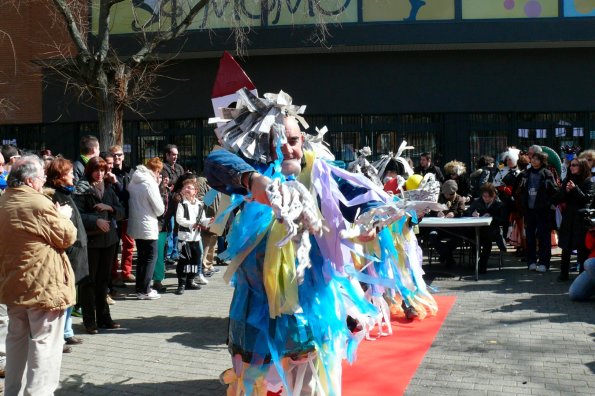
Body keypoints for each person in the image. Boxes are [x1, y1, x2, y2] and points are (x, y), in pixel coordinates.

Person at [205, 90, 401, 394]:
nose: (288, 150)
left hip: (309, 308)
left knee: (311, 386)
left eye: (294, 141)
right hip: (256, 307)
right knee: (255, 384)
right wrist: (254, 181)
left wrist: (370, 222)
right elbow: (216, 161)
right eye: (277, 142)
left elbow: (364, 201)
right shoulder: (254, 172)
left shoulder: (321, 175)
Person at [0, 155, 77, 395]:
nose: (44, 183)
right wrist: (63, 215)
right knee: (46, 343)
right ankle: (38, 392)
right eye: (42, 178)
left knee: (16, 339)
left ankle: (12, 390)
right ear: (31, 180)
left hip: (13, 280)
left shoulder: (4, 201)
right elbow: (67, 237)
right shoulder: (37, 203)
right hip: (43, 283)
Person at [73, 156, 125, 333]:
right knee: (89, 282)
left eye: (102, 170)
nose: (100, 173)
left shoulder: (109, 188)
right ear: (89, 170)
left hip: (109, 240)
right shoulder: (82, 189)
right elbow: (77, 216)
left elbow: (122, 211)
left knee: (104, 281)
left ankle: (104, 317)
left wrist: (110, 209)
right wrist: (95, 221)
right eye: (96, 170)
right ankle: (89, 321)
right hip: (91, 241)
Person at [45, 158, 90, 351]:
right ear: (60, 176)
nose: (73, 175)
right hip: (67, 253)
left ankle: (67, 332)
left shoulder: (66, 193)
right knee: (64, 296)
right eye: (70, 173)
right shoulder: (54, 196)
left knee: (71, 295)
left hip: (76, 250)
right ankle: (60, 336)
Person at [127, 157, 165, 300]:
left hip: (136, 223)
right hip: (148, 224)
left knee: (142, 257)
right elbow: (159, 208)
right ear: (156, 170)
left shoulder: (134, 179)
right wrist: (157, 185)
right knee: (150, 257)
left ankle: (139, 287)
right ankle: (145, 289)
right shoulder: (150, 183)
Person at [552, 158, 594, 280]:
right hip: (569, 217)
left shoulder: (589, 182)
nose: (571, 167)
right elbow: (558, 198)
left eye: (575, 165)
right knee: (566, 246)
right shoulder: (568, 180)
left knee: (582, 249)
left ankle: (582, 275)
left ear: (582, 166)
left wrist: (575, 189)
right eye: (571, 165)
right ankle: (563, 273)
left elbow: (587, 200)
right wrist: (565, 190)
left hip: (581, 219)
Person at [517, 151, 558, 273]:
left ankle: (544, 263)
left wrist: (548, 204)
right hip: (529, 211)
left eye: (537, 159)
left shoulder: (547, 173)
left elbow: (555, 191)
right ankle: (531, 261)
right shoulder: (526, 173)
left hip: (543, 211)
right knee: (530, 237)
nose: (534, 160)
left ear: (542, 161)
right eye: (532, 158)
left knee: (544, 237)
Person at [174, 177, 212, 294]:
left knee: (195, 260)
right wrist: (192, 224)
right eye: (186, 188)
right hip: (185, 237)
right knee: (184, 261)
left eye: (190, 188)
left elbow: (203, 219)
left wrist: (209, 221)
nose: (187, 190)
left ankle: (190, 281)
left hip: (196, 238)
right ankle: (181, 283)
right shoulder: (182, 204)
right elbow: (179, 219)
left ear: (195, 191)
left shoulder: (200, 205)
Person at [108, 145, 136, 285]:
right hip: (113, 214)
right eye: (114, 155)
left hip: (127, 213)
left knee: (129, 244)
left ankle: (126, 272)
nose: (117, 157)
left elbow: (130, 193)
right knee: (114, 245)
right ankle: (114, 274)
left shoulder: (130, 171)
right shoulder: (107, 172)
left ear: (123, 156)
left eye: (119, 155)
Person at [464, 183, 506, 274]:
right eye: (484, 196)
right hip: (478, 229)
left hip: (493, 231)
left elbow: (503, 220)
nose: (486, 198)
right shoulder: (478, 201)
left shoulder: (500, 204)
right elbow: (468, 212)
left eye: (488, 197)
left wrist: (492, 216)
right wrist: (473, 214)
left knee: (487, 242)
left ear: (493, 196)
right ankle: (477, 263)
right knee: (475, 241)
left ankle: (482, 265)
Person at [428, 179, 467, 267]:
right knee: (432, 236)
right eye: (444, 193)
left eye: (447, 194)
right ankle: (449, 258)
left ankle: (443, 256)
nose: (445, 195)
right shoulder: (439, 198)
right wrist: (437, 213)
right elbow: (431, 210)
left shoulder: (459, 199)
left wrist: (454, 213)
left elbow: (462, 211)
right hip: (439, 227)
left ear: (452, 193)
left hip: (454, 229)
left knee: (459, 239)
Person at [161, 144, 184, 263]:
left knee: (177, 227)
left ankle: (175, 252)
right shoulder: (163, 167)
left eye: (176, 154)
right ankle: (168, 253)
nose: (175, 157)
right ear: (167, 155)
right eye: (173, 154)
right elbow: (165, 182)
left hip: (178, 201)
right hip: (167, 202)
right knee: (167, 227)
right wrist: (176, 182)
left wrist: (176, 183)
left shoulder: (179, 167)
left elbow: (182, 182)